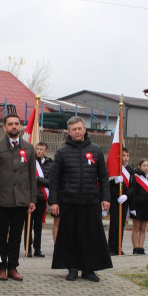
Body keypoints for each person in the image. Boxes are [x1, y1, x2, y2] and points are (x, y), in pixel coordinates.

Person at [48, 116, 112, 282]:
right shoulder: (62, 151)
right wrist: (53, 202)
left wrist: (106, 197)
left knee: (90, 237)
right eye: (73, 129)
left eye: (79, 128)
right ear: (68, 132)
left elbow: (103, 177)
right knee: (70, 237)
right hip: (69, 201)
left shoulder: (96, 150)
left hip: (91, 201)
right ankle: (72, 268)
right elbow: (54, 179)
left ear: (85, 130)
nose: (77, 131)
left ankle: (89, 270)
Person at [0, 114, 37, 281]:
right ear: (4, 127)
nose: (14, 127)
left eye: (17, 124)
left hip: (21, 199)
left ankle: (13, 267)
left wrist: (32, 199)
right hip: (2, 199)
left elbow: (32, 176)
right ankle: (1, 267)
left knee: (16, 235)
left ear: (21, 127)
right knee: (1, 235)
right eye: (10, 124)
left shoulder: (29, 148)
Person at [27, 141, 53, 258]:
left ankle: (37, 249)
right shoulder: (30, 162)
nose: (38, 151)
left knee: (38, 225)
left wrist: (37, 179)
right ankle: (28, 249)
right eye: (37, 149)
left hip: (42, 198)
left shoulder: (50, 165)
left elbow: (50, 182)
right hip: (30, 197)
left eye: (41, 149)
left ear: (45, 151)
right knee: (28, 224)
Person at [108, 148, 133, 255]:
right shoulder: (115, 168)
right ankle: (111, 247)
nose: (126, 158)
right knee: (114, 223)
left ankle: (119, 246)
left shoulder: (130, 170)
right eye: (124, 155)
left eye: (127, 156)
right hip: (115, 199)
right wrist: (115, 182)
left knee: (121, 224)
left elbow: (133, 186)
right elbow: (108, 184)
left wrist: (127, 195)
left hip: (124, 200)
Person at [129, 158, 148, 254]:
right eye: (144, 166)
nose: (146, 167)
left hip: (147, 206)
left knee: (143, 228)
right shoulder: (135, 177)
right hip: (137, 205)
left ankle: (141, 247)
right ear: (139, 167)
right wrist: (132, 207)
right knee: (136, 227)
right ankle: (135, 248)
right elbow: (132, 192)